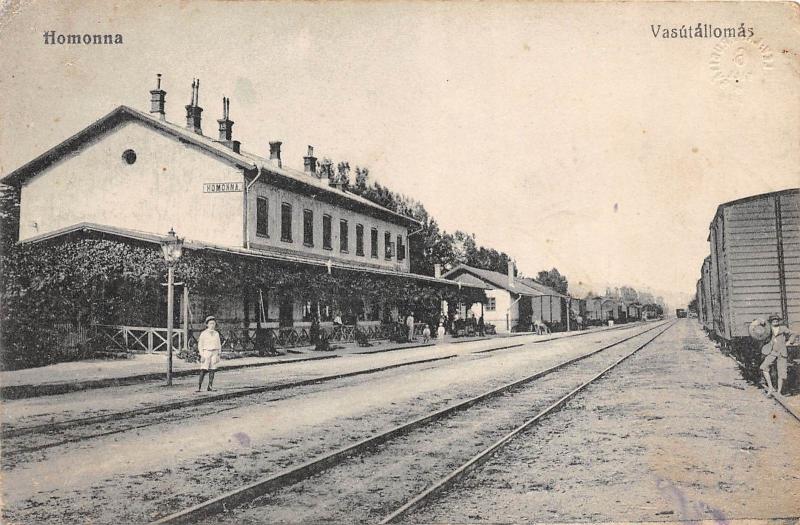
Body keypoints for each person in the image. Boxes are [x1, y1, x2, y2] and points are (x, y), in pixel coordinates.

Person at [760, 314, 798, 395]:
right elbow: (759, 325)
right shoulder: (768, 328)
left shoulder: (783, 328)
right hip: (772, 352)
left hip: (782, 352)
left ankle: (779, 391)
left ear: (778, 321)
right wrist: (762, 321)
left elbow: (793, 334)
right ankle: (770, 387)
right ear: (770, 321)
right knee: (764, 367)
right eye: (773, 320)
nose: (775, 321)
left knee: (781, 373)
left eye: (776, 319)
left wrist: (790, 342)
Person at [197, 315, 222, 392]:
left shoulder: (216, 333)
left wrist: (219, 354)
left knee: (212, 369)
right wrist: (201, 355)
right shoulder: (204, 333)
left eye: (213, 324)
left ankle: (210, 386)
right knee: (203, 369)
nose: (212, 325)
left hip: (214, 352)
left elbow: (219, 344)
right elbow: (200, 345)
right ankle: (199, 386)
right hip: (206, 352)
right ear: (207, 324)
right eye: (210, 323)